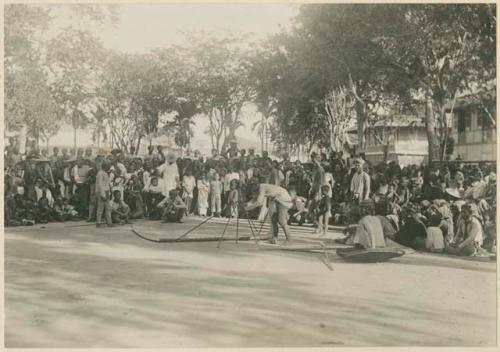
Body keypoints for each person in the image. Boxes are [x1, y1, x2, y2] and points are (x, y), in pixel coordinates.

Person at [96, 162, 112, 228]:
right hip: (102, 192)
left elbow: (107, 184)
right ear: (105, 166)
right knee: (100, 208)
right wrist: (103, 195)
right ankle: (98, 223)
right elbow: (100, 185)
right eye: (108, 166)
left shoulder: (106, 173)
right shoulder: (100, 173)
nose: (109, 167)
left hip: (107, 191)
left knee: (108, 208)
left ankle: (109, 222)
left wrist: (109, 192)